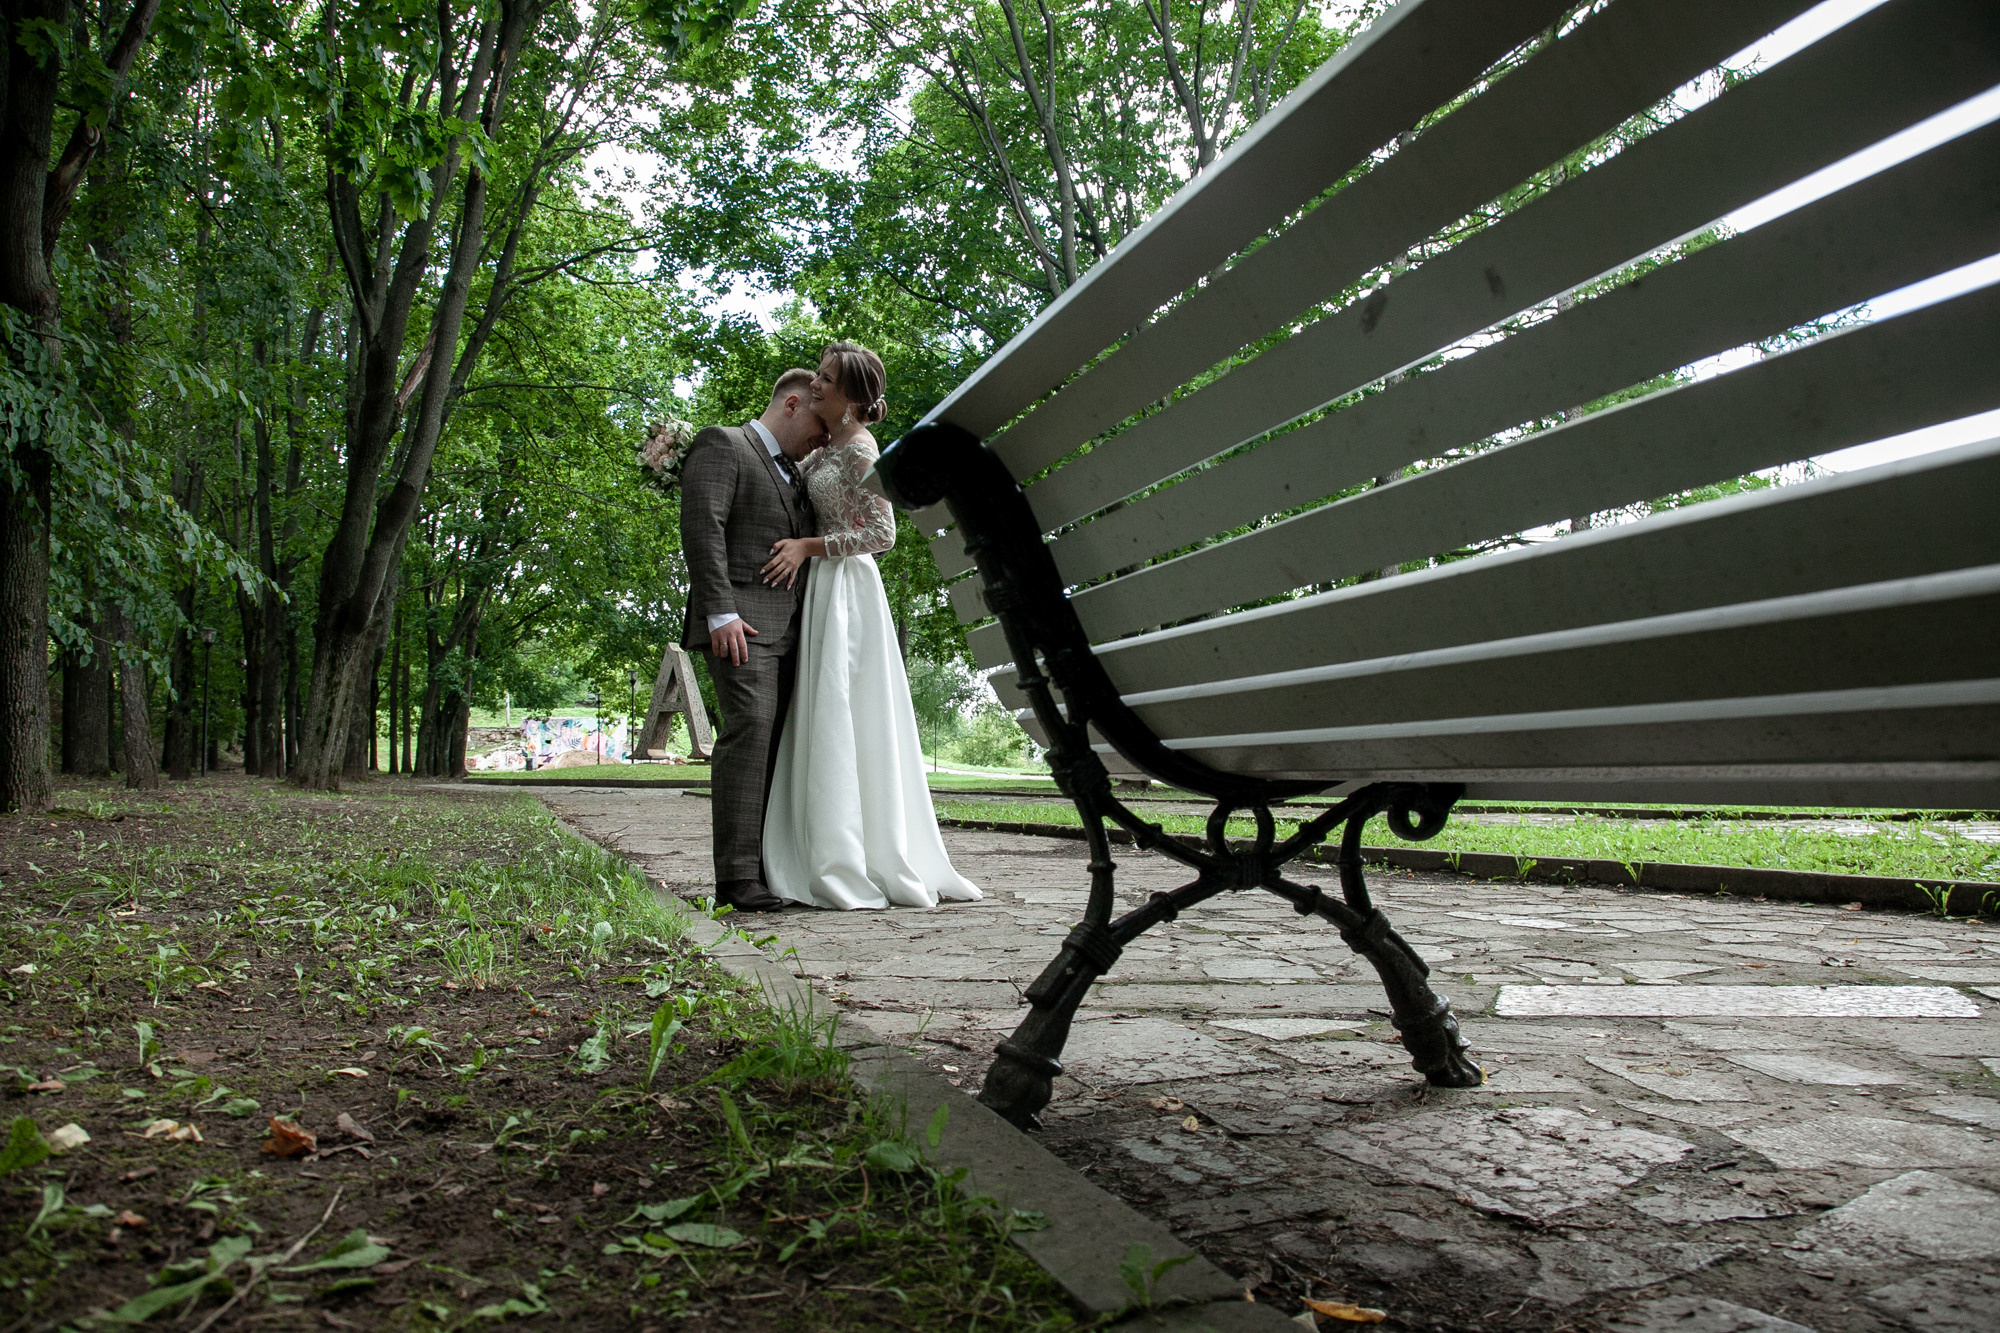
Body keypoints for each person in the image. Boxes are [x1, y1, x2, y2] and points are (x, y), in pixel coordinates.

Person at [758, 342, 982, 910]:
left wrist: (808, 547)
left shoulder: (860, 449)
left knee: (846, 710)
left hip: (847, 593)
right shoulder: (827, 442)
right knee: (822, 709)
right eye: (818, 375)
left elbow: (883, 535)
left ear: (854, 398)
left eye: (827, 380)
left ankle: (853, 856)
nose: (815, 384)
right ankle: (816, 842)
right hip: (821, 588)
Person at [678, 369, 826, 913]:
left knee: (781, 743)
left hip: (794, 628)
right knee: (750, 731)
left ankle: (770, 869)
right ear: (792, 404)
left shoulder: (798, 470)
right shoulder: (724, 444)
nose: (824, 438)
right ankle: (737, 878)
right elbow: (703, 526)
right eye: (819, 424)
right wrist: (720, 612)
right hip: (739, 625)